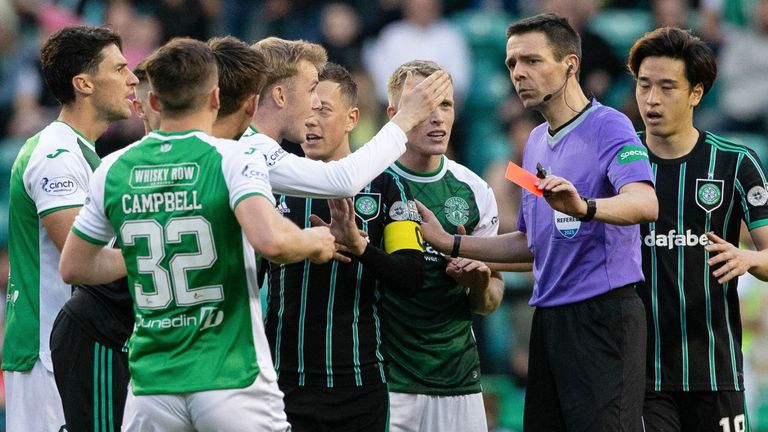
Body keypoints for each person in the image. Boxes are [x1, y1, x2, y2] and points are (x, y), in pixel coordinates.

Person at [57, 37, 336, 431]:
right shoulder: (232, 157)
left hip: (152, 383)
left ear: (154, 102)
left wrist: (139, 253)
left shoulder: (114, 168)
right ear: (216, 98)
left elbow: (73, 267)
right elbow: (271, 241)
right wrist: (315, 241)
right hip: (230, 378)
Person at [416, 13, 659, 432]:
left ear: (570, 65)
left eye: (531, 61)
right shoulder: (534, 142)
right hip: (550, 318)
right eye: (511, 64)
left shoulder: (611, 125)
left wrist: (584, 207)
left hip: (602, 314)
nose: (518, 73)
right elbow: (531, 246)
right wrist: (448, 243)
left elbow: (645, 203)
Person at [265, 62, 425, 432]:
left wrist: (360, 247)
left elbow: (411, 277)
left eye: (323, 110)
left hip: (358, 383)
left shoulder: (387, 187)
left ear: (353, 117)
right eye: (307, 108)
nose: (310, 120)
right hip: (282, 383)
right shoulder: (269, 184)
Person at [627, 26, 768, 432]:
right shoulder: (620, 162)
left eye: (667, 87)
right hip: (643, 376)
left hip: (715, 371)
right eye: (644, 85)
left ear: (696, 93)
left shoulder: (736, 163)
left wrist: (748, 257)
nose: (652, 99)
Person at [2, 25, 138, 431]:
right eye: (119, 68)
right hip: (47, 352)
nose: (132, 78)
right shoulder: (55, 154)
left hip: (77, 347)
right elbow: (80, 255)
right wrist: (154, 250)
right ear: (84, 84)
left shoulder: (86, 155)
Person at [381, 60, 504, 432]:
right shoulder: (367, 184)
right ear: (394, 115)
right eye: (424, 105)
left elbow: (490, 301)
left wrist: (478, 281)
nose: (437, 118)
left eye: (446, 105)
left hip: (459, 381)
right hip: (387, 382)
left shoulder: (474, 190)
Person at [49, 59, 155, 432]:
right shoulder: (114, 168)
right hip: (98, 337)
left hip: (141, 345)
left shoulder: (210, 163)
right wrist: (152, 253)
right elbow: (75, 264)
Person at [242, 36, 452, 198]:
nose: (315, 104)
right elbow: (344, 180)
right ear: (280, 96)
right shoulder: (250, 152)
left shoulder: (248, 144)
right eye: (311, 90)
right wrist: (405, 118)